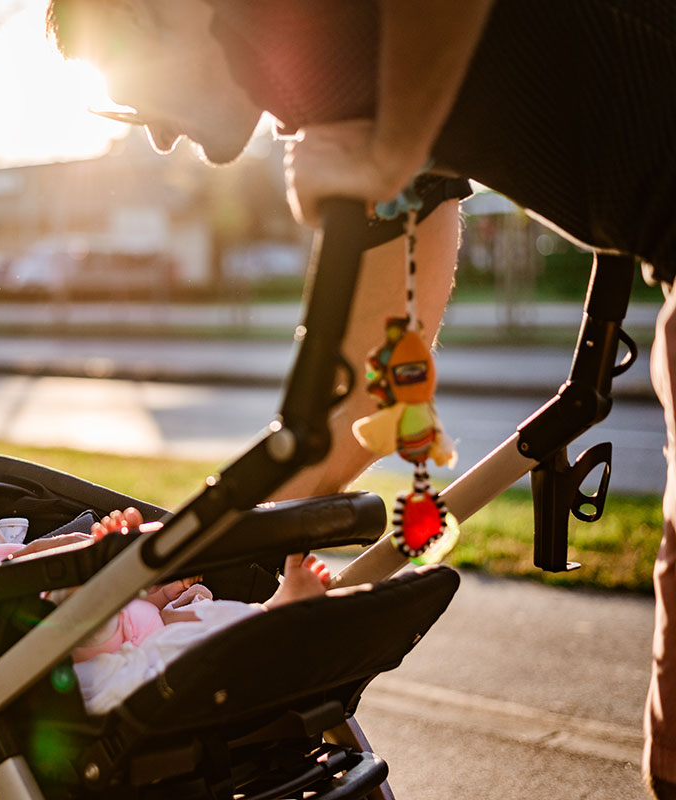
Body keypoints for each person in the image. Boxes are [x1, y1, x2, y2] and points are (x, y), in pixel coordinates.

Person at [44, 0, 676, 795]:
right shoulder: (331, 91)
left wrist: (389, 144)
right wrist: (181, 561)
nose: (160, 139)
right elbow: (351, 419)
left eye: (134, 101)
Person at [0, 494, 333, 662]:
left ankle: (270, 610)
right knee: (176, 631)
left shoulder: (11, 550)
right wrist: (87, 547)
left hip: (128, 630)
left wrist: (165, 592)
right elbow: (36, 557)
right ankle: (272, 610)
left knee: (197, 619)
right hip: (73, 640)